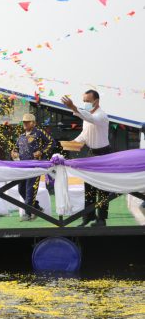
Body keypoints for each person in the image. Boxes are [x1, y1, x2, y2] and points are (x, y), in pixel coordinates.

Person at [62, 90, 111, 227]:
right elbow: (84, 135)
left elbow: (90, 118)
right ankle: (88, 216)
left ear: (96, 101)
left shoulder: (101, 116)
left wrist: (73, 107)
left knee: (102, 188)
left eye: (88, 101)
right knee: (88, 185)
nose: (85, 103)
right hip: (91, 152)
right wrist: (70, 145)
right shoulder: (87, 117)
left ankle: (101, 219)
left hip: (103, 154)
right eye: (84, 100)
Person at [11, 113, 55, 221]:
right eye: (24, 122)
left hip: (35, 165)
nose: (25, 124)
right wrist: (13, 153)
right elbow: (15, 149)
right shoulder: (21, 136)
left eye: (27, 122)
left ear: (33, 123)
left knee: (30, 189)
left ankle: (28, 213)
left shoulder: (39, 132)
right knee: (21, 189)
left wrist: (41, 151)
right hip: (22, 167)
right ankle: (37, 208)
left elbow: (51, 142)